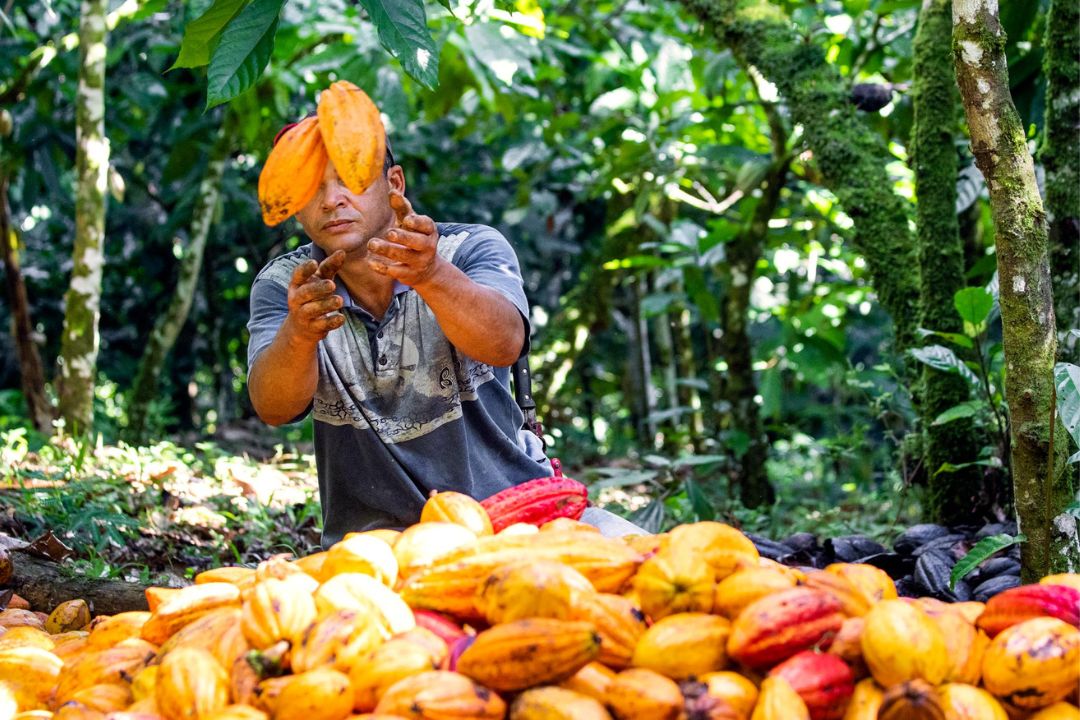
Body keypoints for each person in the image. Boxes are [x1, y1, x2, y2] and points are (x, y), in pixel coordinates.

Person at [247, 122, 643, 547]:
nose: (332, 200)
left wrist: (432, 275)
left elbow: (505, 343)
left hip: (524, 518)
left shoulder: (470, 248)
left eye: (351, 178)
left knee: (653, 558)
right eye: (310, 187)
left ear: (394, 183)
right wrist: (299, 334)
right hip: (378, 547)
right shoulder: (286, 285)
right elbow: (273, 407)